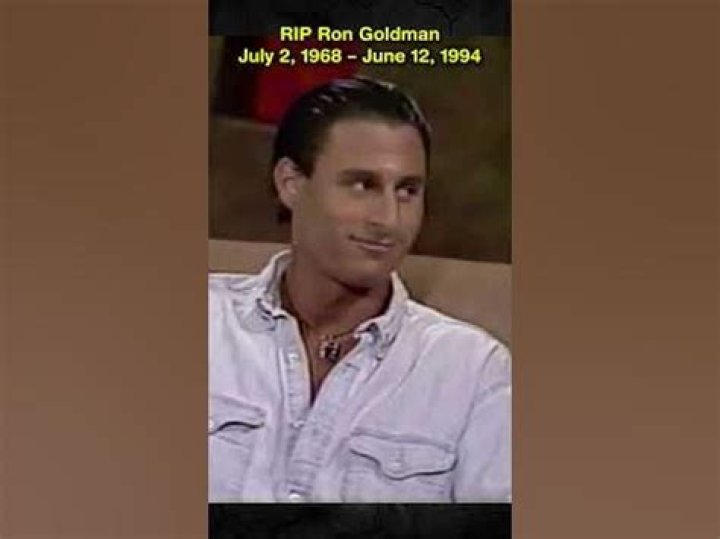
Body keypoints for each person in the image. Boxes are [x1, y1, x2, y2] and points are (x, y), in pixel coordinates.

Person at [209, 77, 511, 503]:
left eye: (407, 191)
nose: (389, 219)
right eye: (363, 185)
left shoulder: (473, 372)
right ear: (291, 183)